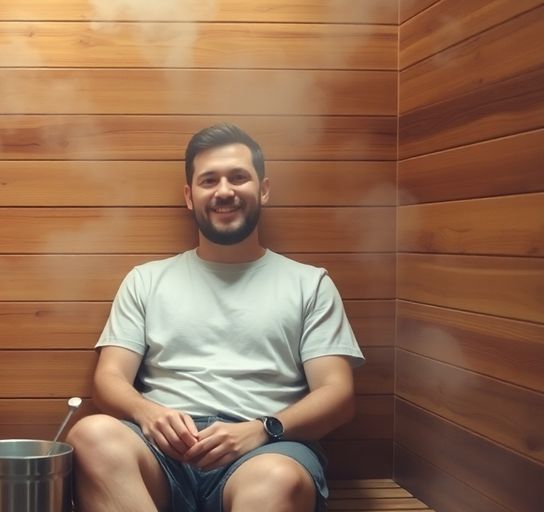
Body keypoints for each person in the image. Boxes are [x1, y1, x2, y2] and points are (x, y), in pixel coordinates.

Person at [66, 123, 365, 512]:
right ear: (190, 197)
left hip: (264, 451)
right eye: (209, 180)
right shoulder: (146, 280)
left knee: (275, 480)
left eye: (238, 177)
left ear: (264, 189)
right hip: (162, 454)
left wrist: (262, 430)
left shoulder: (309, 284)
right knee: (90, 435)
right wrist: (149, 414)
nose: (224, 191)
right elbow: (108, 380)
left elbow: (338, 395)